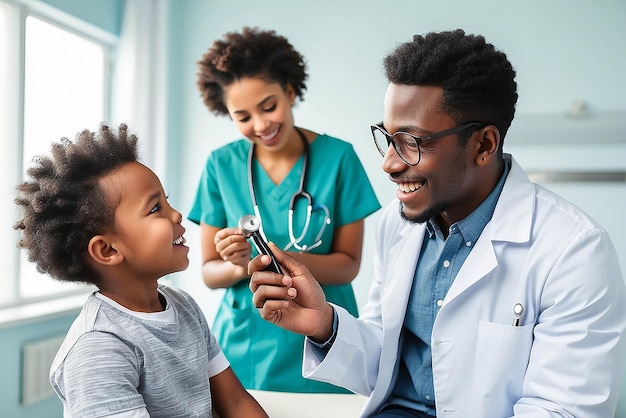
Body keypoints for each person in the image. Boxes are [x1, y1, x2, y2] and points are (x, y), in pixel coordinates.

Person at [248, 29, 626, 417]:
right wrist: (324, 323)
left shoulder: (575, 250)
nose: (390, 163)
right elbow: (386, 362)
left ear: (483, 145)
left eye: (413, 142)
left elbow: (563, 410)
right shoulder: (396, 226)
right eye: (388, 137)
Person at [14, 123, 268, 418]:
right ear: (108, 251)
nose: (176, 214)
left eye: (167, 200)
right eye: (154, 208)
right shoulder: (99, 348)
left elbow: (235, 403)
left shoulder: (184, 307)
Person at [188, 27, 380, 393]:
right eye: (243, 117)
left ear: (290, 91)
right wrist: (237, 263)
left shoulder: (339, 158)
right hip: (246, 343)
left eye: (269, 106)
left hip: (321, 335)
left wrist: (276, 258)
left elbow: (347, 264)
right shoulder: (220, 165)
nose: (260, 125)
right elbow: (210, 273)